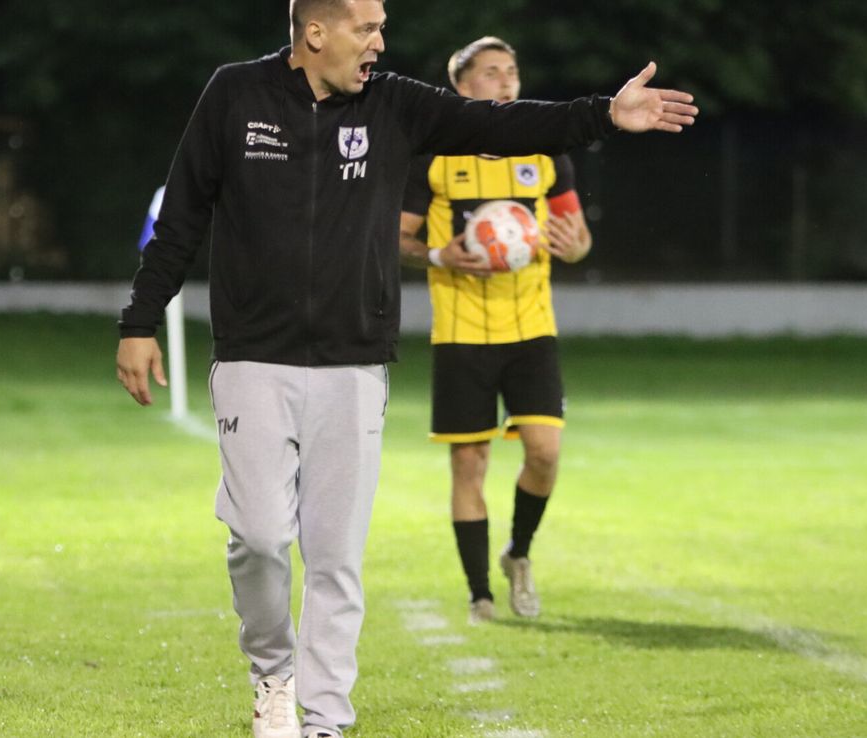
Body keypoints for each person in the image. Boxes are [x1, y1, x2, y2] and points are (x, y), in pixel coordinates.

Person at [115, 2, 696, 736]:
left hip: (355, 364)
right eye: (367, 28)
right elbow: (182, 219)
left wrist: (606, 115)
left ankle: (325, 717)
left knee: (334, 553)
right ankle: (273, 674)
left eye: (382, 26)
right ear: (315, 33)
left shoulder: (394, 103)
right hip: (252, 358)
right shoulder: (235, 93)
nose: (381, 43)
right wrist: (140, 322)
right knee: (259, 536)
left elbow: (502, 125)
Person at [399, 36, 595, 625]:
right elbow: (395, 241)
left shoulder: (546, 151)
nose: (507, 82)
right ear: (462, 88)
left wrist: (577, 246)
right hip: (460, 331)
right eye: (491, 73)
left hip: (532, 327)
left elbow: (578, 236)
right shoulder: (430, 159)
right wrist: (440, 256)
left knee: (545, 452)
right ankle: (479, 593)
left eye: (512, 71)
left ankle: (519, 553)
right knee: (470, 464)